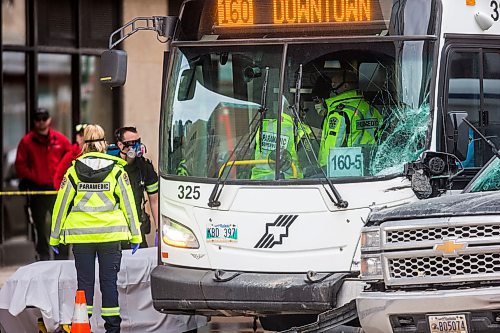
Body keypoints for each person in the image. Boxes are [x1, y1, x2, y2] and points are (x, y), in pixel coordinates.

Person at [50, 124, 142, 333]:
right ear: (104, 142)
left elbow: (61, 206)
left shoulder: (73, 171)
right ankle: (112, 329)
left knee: (85, 284)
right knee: (109, 282)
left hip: (82, 238)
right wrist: (135, 235)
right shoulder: (118, 171)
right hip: (110, 235)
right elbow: (129, 205)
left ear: (83, 142)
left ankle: (83, 325)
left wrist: (54, 238)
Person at [15, 108, 72, 260]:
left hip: (57, 190)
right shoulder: (26, 142)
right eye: (37, 119)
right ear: (34, 121)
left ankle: (62, 257)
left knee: (60, 224)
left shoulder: (60, 139)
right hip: (37, 190)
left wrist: (63, 177)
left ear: (49, 119)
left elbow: (71, 157)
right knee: (39, 227)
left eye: (43, 118)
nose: (41, 122)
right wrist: (34, 177)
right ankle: (43, 257)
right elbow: (20, 166)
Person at [315, 69, 383, 168]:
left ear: (345, 86)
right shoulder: (372, 109)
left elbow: (332, 147)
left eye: (334, 84)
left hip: (343, 172)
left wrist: (323, 169)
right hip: (371, 166)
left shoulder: (338, 113)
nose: (332, 88)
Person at [115, 126, 159, 248]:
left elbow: (154, 201)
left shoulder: (145, 167)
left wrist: (159, 230)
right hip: (114, 232)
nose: (137, 146)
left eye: (138, 141)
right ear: (120, 145)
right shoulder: (111, 167)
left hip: (137, 230)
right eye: (132, 143)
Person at [53, 123, 87, 189]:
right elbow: (58, 178)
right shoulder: (70, 156)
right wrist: (64, 192)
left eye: (86, 135)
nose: (83, 138)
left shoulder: (96, 153)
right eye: (81, 135)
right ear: (76, 138)